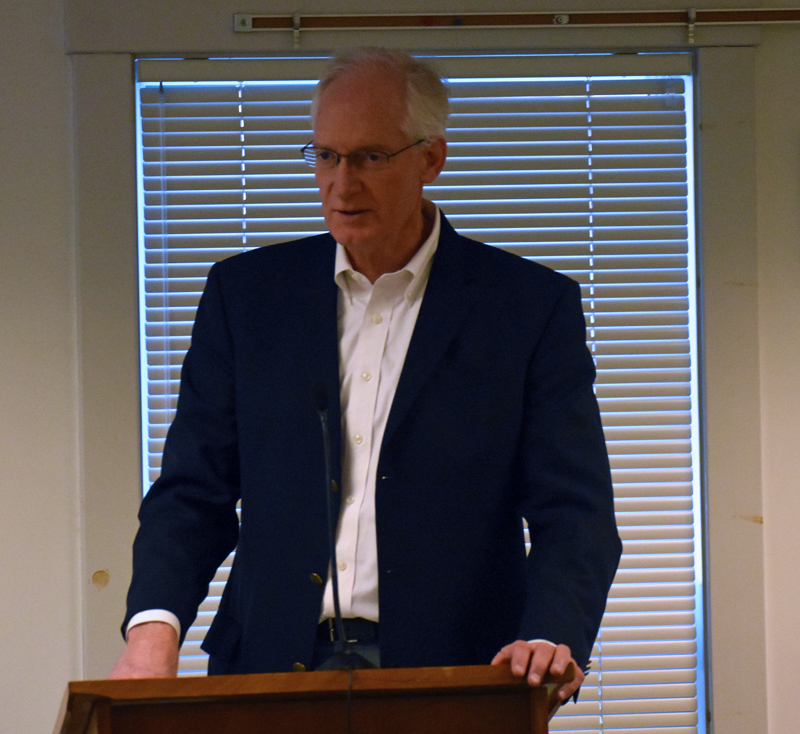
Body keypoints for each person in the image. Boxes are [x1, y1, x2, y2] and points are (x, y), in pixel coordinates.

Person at [110, 47, 621, 705]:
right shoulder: (248, 297)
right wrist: (153, 628)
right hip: (269, 665)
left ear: (431, 159)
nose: (341, 184)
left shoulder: (524, 307)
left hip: (455, 674)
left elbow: (574, 510)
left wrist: (553, 634)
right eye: (325, 156)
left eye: (370, 158)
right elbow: (193, 490)